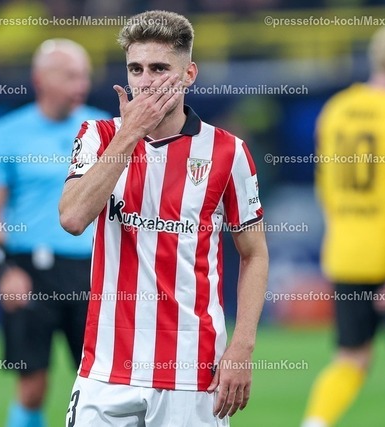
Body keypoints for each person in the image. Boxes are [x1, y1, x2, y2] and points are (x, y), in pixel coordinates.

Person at [59, 10, 269, 427]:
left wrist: (242, 346)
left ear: (189, 74)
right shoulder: (98, 136)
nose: (146, 81)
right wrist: (130, 134)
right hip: (106, 370)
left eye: (159, 68)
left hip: (192, 372)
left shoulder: (228, 152)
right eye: (135, 69)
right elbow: (73, 218)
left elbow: (255, 253)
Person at [302, 26, 385, 427]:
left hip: (346, 253)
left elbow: (326, 188)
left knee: (350, 357)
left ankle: (314, 422)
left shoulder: (336, 111)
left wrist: (338, 242)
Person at [0, 39, 110, 427]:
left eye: (84, 75)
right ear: (40, 80)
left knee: (104, 383)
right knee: (33, 385)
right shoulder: (5, 135)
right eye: (70, 76)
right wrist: (4, 270)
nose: (81, 84)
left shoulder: (104, 129)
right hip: (30, 270)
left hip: (94, 269)